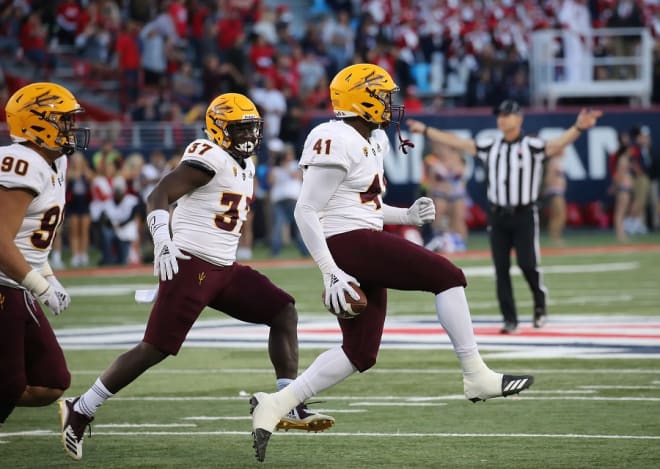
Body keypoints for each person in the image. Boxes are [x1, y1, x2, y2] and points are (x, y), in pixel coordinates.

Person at [249, 64, 535, 463]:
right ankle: (476, 375)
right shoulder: (334, 136)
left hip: (361, 238)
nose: (390, 104)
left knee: (360, 353)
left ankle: (277, 404)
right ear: (360, 98)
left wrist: (406, 217)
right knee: (448, 277)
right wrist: (330, 272)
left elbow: (365, 206)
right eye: (383, 96)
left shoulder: (372, 139)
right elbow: (306, 210)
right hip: (348, 244)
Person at [58, 93, 334, 460]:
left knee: (283, 310)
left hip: (225, 268)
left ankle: (289, 400)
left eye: (251, 127)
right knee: (154, 349)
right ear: (220, 130)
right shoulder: (209, 156)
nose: (248, 135)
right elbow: (158, 195)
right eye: (239, 129)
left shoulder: (246, 165)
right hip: (190, 266)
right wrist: (162, 241)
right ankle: (81, 408)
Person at [407, 100, 602, 333]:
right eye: (499, 115)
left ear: (519, 119)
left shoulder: (533, 146)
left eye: (507, 115)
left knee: (527, 264)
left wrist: (578, 127)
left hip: (524, 214)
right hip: (498, 215)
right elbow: (458, 142)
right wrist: (426, 130)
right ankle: (510, 319)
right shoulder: (491, 146)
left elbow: (559, 143)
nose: (502, 119)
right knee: (501, 269)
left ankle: (539, 302)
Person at [0, 82, 89, 426]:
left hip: (17, 283)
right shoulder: (20, 161)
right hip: (5, 284)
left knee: (52, 381)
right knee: (8, 386)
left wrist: (48, 276)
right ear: (36, 122)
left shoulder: (56, 162)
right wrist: (40, 285)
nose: (71, 127)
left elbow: (29, 238)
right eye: (63, 120)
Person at [542, 150, 567, 245]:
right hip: (554, 190)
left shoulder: (559, 161)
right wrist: (548, 188)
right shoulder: (553, 162)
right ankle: (554, 237)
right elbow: (549, 177)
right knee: (559, 214)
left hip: (559, 190)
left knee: (559, 214)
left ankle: (556, 236)